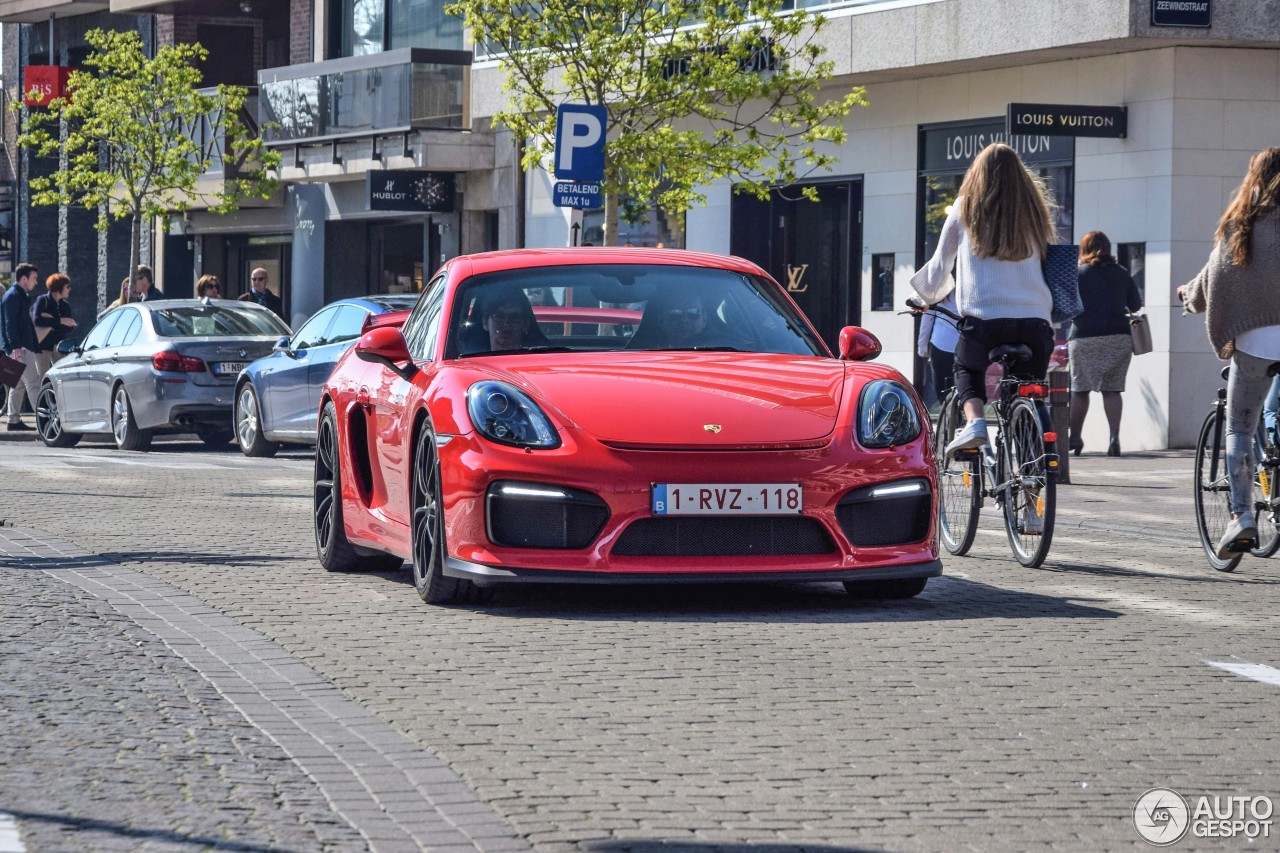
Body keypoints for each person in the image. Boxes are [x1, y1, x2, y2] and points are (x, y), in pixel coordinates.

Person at [909, 143, 1056, 456]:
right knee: (1026, 388)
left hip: (985, 321)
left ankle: (975, 423)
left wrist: (922, 297)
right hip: (1036, 321)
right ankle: (1032, 476)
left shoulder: (966, 208)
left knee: (966, 369)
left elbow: (940, 265)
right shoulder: (1034, 211)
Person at [1178, 146, 1280, 559]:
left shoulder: (1241, 224)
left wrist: (1188, 296)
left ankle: (1242, 517)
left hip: (1257, 344)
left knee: (1239, 428)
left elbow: (1213, 277)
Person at [1068, 231, 1143, 457]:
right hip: (1119, 336)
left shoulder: (1079, 274)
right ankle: (1114, 438)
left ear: (1084, 248)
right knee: (1112, 389)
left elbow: (1068, 305)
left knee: (1080, 390)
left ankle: (1075, 439)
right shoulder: (1121, 273)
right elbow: (1135, 304)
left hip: (1084, 336)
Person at [0, 262, 41, 431]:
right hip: (19, 348)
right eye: (34, 278)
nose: (36, 282)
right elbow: (10, 324)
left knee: (17, 384)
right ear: (24, 279)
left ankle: (14, 420)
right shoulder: (13, 296)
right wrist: (16, 346)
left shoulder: (17, 295)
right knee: (34, 382)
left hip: (17, 347)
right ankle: (45, 420)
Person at [31, 273, 77, 383]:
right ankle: (43, 400)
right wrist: (60, 321)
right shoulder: (42, 300)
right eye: (67, 287)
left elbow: (69, 328)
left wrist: (51, 321)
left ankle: (56, 400)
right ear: (58, 288)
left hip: (59, 346)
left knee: (61, 377)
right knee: (43, 379)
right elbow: (37, 320)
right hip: (42, 346)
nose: (69, 289)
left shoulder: (65, 305)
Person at [916, 291, 959, 406]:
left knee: (942, 389)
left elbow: (927, 321)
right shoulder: (968, 288)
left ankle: (950, 417)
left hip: (940, 344)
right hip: (964, 346)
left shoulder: (938, 291)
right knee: (964, 384)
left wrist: (922, 345)